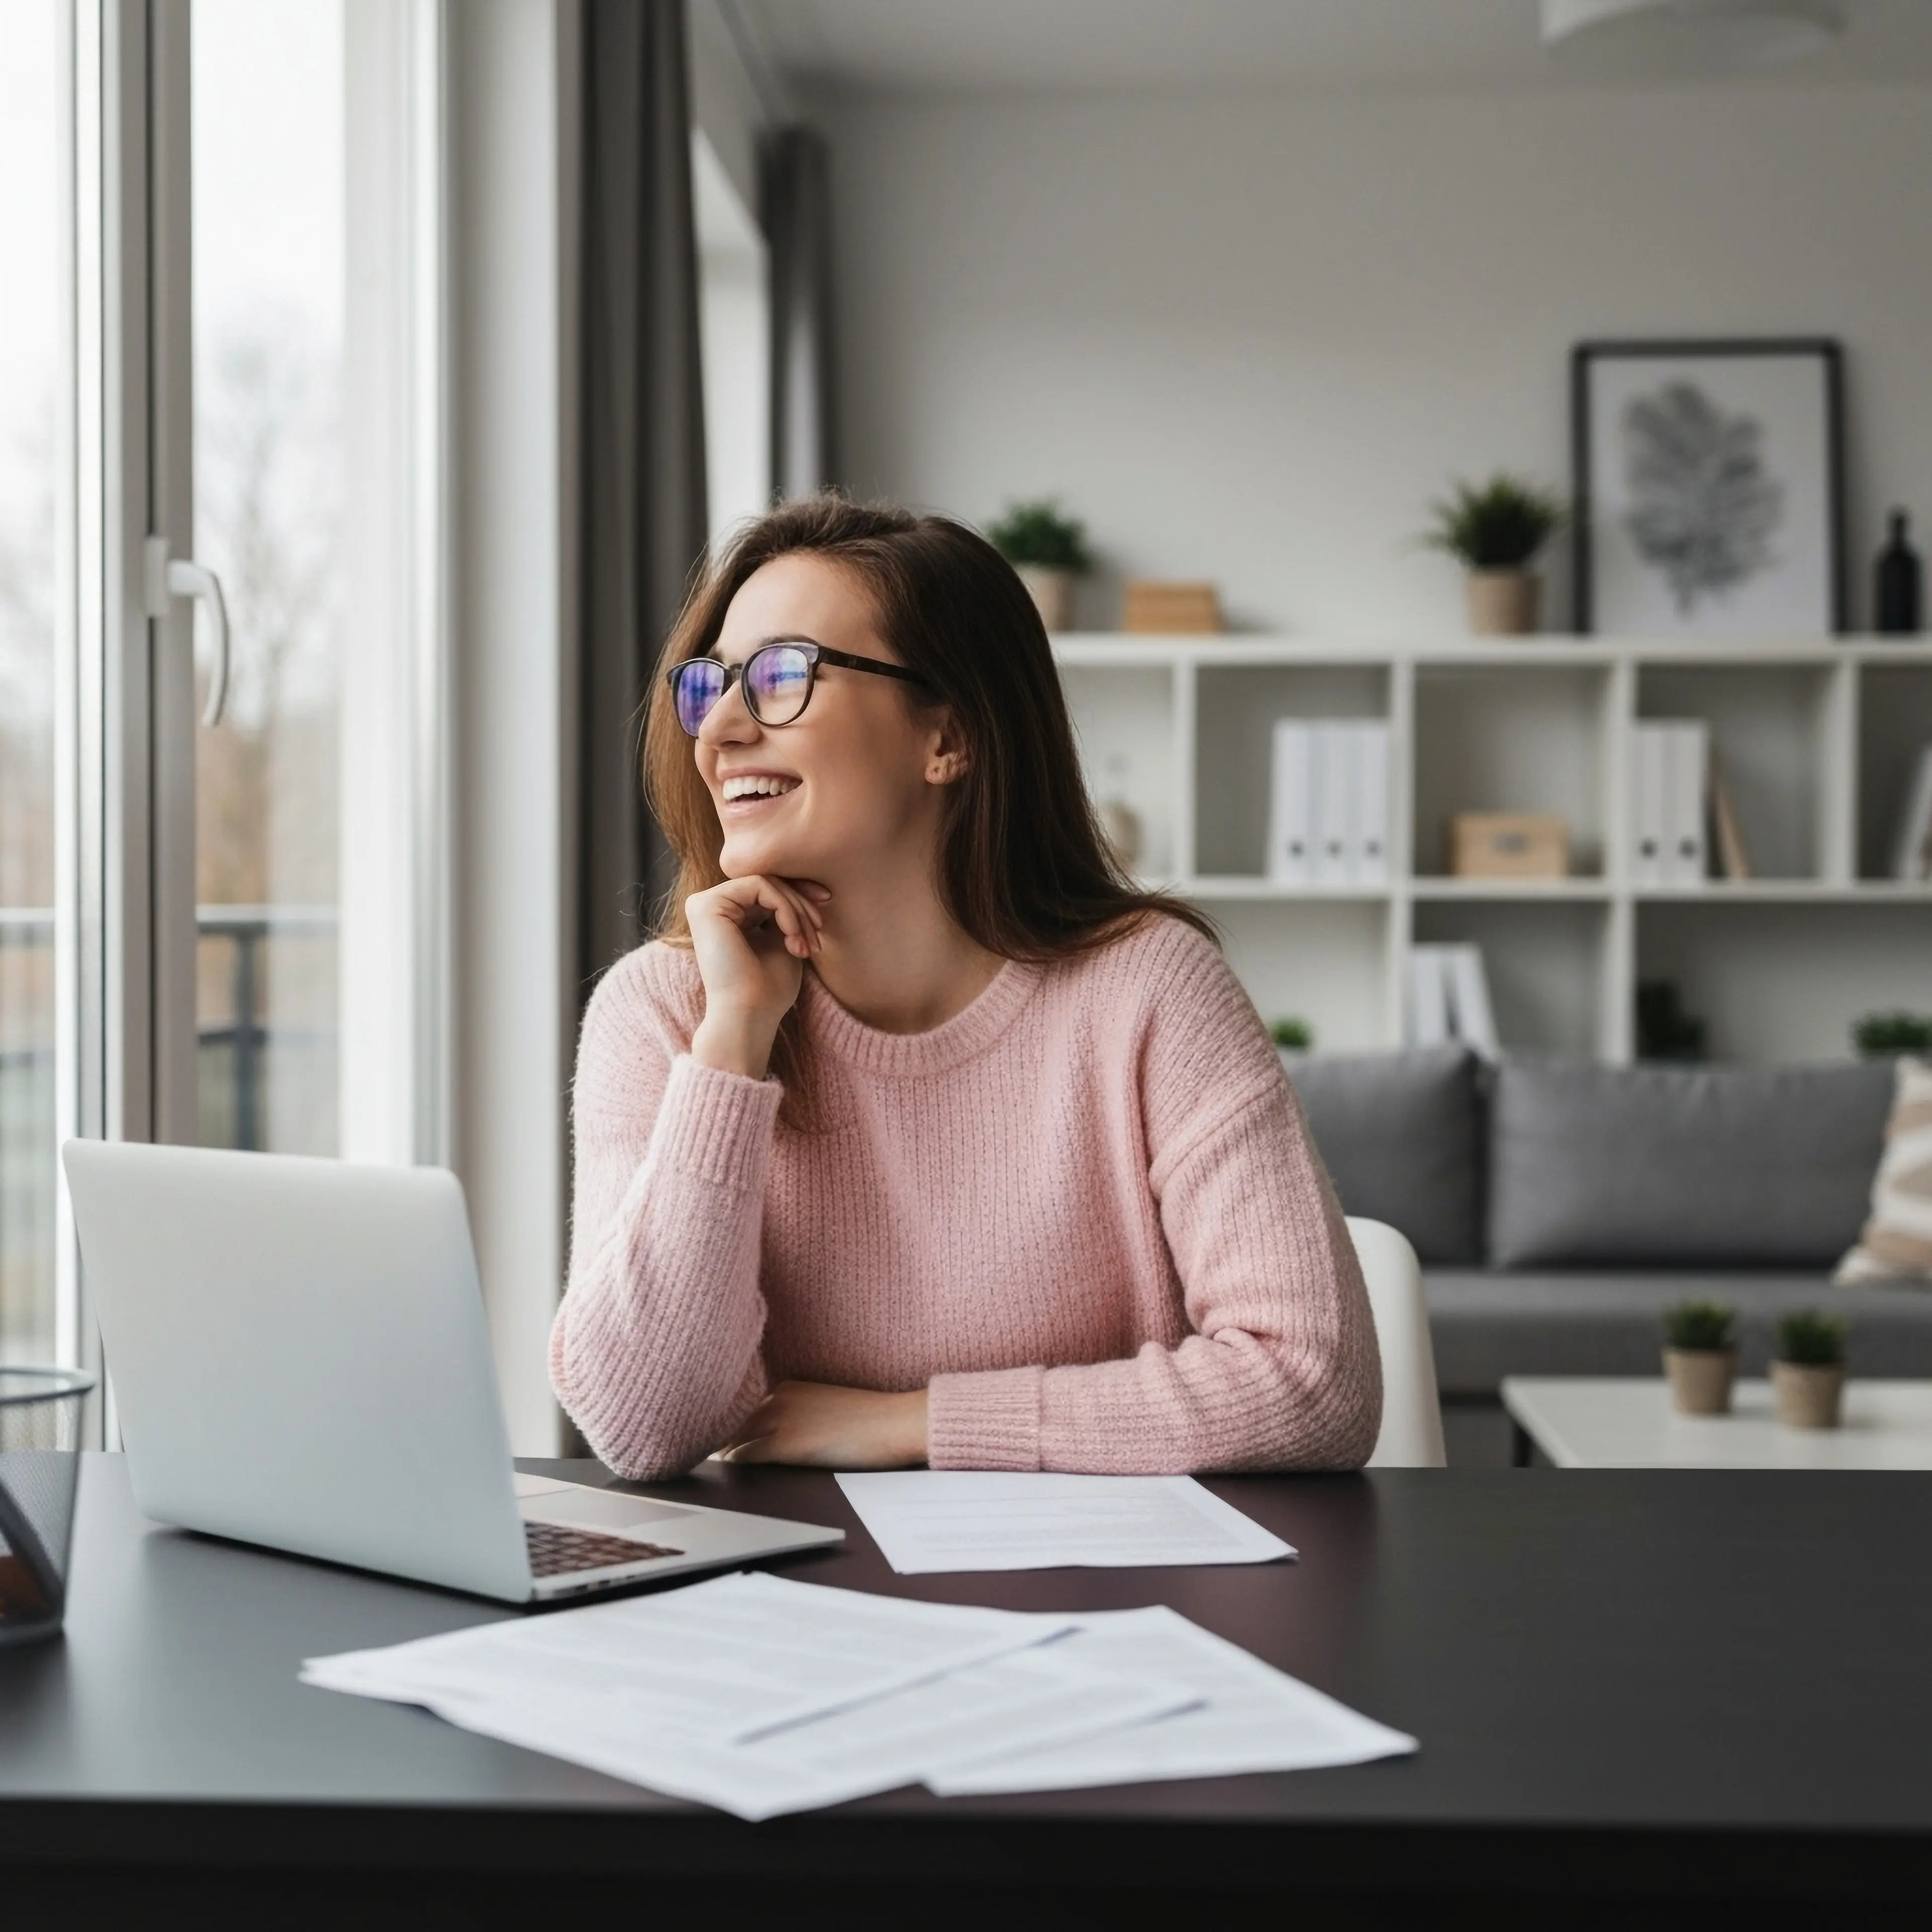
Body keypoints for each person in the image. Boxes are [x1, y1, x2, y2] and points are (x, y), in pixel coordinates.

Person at [550, 496, 1381, 1477]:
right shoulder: (666, 1012)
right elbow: (643, 1428)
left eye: (782, 676)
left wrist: (913, 1425)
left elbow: (1309, 1384)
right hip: (799, 1606)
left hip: (1115, 1602)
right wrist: (734, 1043)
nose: (722, 727)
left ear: (947, 735)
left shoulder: (1150, 991)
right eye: (711, 684)